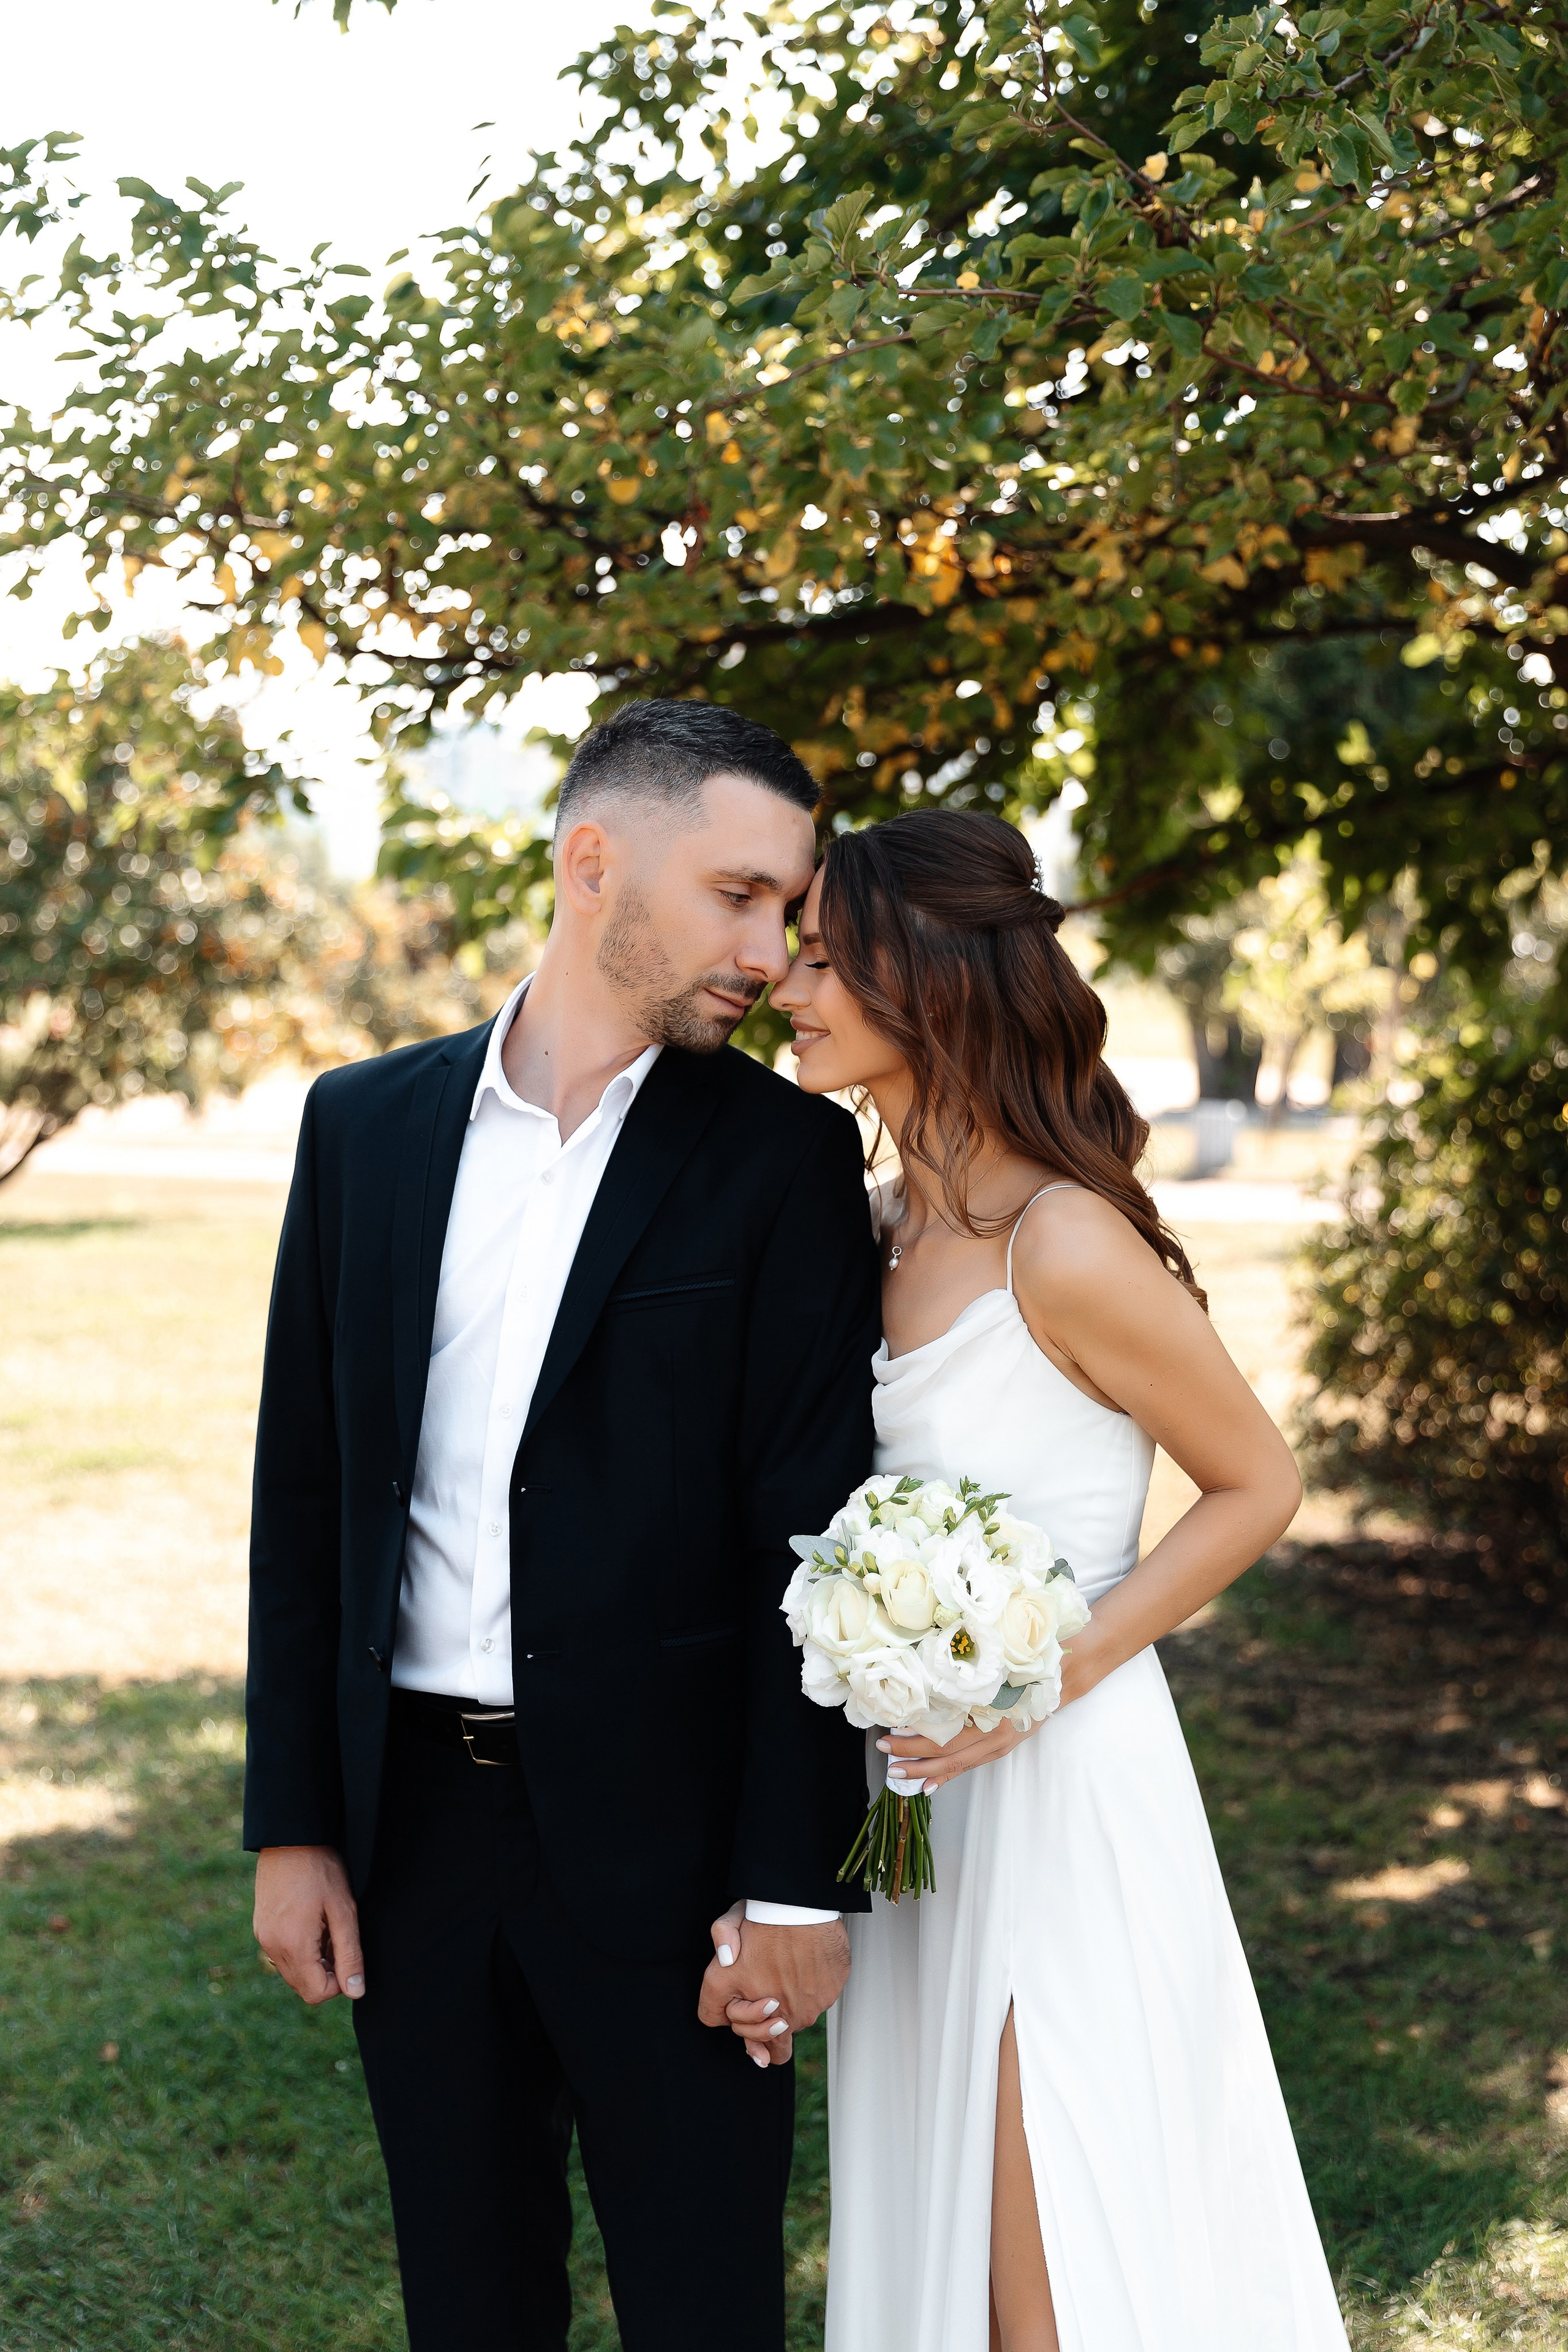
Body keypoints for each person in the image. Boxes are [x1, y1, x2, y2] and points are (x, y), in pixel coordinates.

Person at [244, 699, 880, 2352]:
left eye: (787, 908)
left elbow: (802, 1543)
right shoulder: (363, 1129)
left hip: (675, 1857)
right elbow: (307, 1494)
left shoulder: (786, 1160)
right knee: (470, 2299)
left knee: (703, 2307)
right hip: (414, 1842)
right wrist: (295, 1823)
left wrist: (792, 1884)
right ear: (593, 864)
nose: (771, 946)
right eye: (740, 895)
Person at [769, 807, 1351, 2352]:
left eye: (825, 958)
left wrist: (1039, 1680)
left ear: (932, 980)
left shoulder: (1064, 1242)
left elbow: (1258, 1483)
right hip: (915, 1808)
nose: (785, 985)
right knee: (938, 2219)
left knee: (1049, 2243)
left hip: (1058, 1795)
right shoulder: (881, 1225)